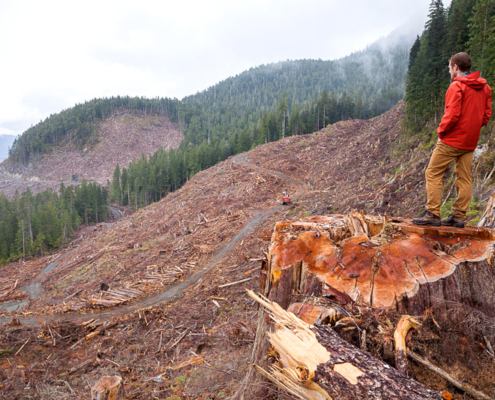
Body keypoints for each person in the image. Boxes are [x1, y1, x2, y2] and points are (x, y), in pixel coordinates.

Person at [413, 52, 492, 228]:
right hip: (470, 141)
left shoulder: (457, 87)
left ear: (455, 67)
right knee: (464, 178)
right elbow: (486, 116)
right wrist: (472, 128)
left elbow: (452, 114)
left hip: (451, 140)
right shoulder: (485, 88)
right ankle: (458, 217)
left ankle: (433, 213)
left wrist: (441, 131)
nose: (450, 71)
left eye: (450, 67)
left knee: (432, 173)